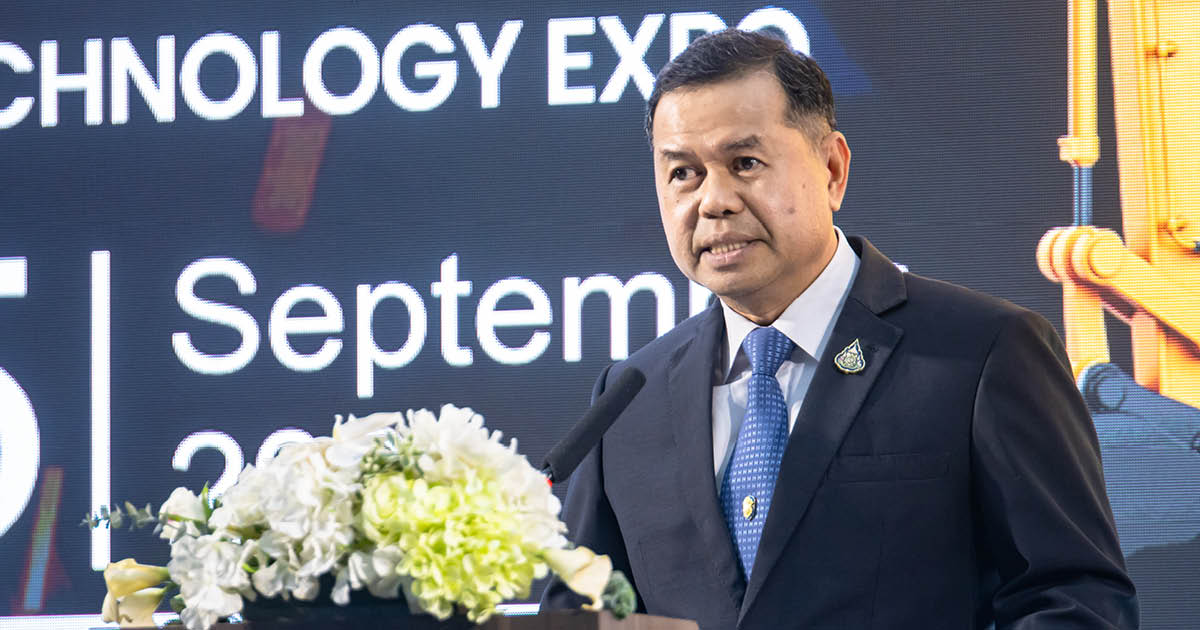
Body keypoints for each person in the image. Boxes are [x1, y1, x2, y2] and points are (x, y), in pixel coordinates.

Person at [541, 28, 1137, 629]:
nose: (714, 200)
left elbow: (1076, 602)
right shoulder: (629, 398)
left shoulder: (984, 352)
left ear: (832, 169)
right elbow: (580, 615)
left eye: (745, 163)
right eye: (683, 174)